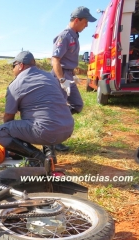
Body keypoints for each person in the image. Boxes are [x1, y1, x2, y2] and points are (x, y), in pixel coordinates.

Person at [0, 51, 74, 166]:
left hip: (46, 131)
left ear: (20, 66)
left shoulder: (16, 84)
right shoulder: (49, 77)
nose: (13, 69)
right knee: (43, 116)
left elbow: (8, 117)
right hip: (67, 128)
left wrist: (14, 144)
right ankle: (50, 154)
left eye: (13, 66)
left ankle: (39, 159)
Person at [51, 6, 96, 152]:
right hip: (60, 75)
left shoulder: (74, 36)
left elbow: (67, 59)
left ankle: (57, 121)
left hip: (68, 74)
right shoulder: (64, 36)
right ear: (77, 20)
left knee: (77, 105)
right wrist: (62, 80)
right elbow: (56, 60)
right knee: (58, 109)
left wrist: (72, 75)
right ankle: (52, 140)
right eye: (85, 22)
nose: (87, 25)